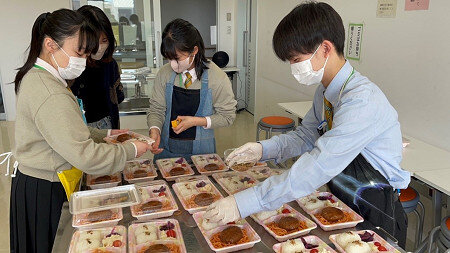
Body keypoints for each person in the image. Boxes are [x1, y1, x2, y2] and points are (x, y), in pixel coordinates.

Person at [204, 2, 410, 248]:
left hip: (376, 209)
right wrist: (263, 149)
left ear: (325, 48)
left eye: (296, 59)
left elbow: (318, 166)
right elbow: (305, 137)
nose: (293, 68)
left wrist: (244, 202)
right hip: (343, 202)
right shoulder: (326, 92)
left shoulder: (361, 101)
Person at [10, 9, 150, 253]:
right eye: (79, 53)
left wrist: (106, 136)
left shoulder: (40, 77)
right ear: (51, 45)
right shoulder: (50, 91)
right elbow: (87, 157)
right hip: (45, 188)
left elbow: (64, 131)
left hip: (40, 180)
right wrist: (132, 149)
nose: (83, 62)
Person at [147, 19, 237, 161]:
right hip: (166, 152)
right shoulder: (164, 74)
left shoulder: (217, 76)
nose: (172, 64)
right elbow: (156, 109)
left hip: (202, 155)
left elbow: (227, 117)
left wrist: (196, 121)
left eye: (177, 58)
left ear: (194, 50)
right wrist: (154, 130)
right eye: (168, 59)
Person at [71, 5, 124, 129]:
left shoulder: (110, 64)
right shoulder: (72, 66)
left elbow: (118, 97)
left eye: (104, 40)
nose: (99, 47)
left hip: (108, 123)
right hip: (80, 126)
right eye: (94, 42)